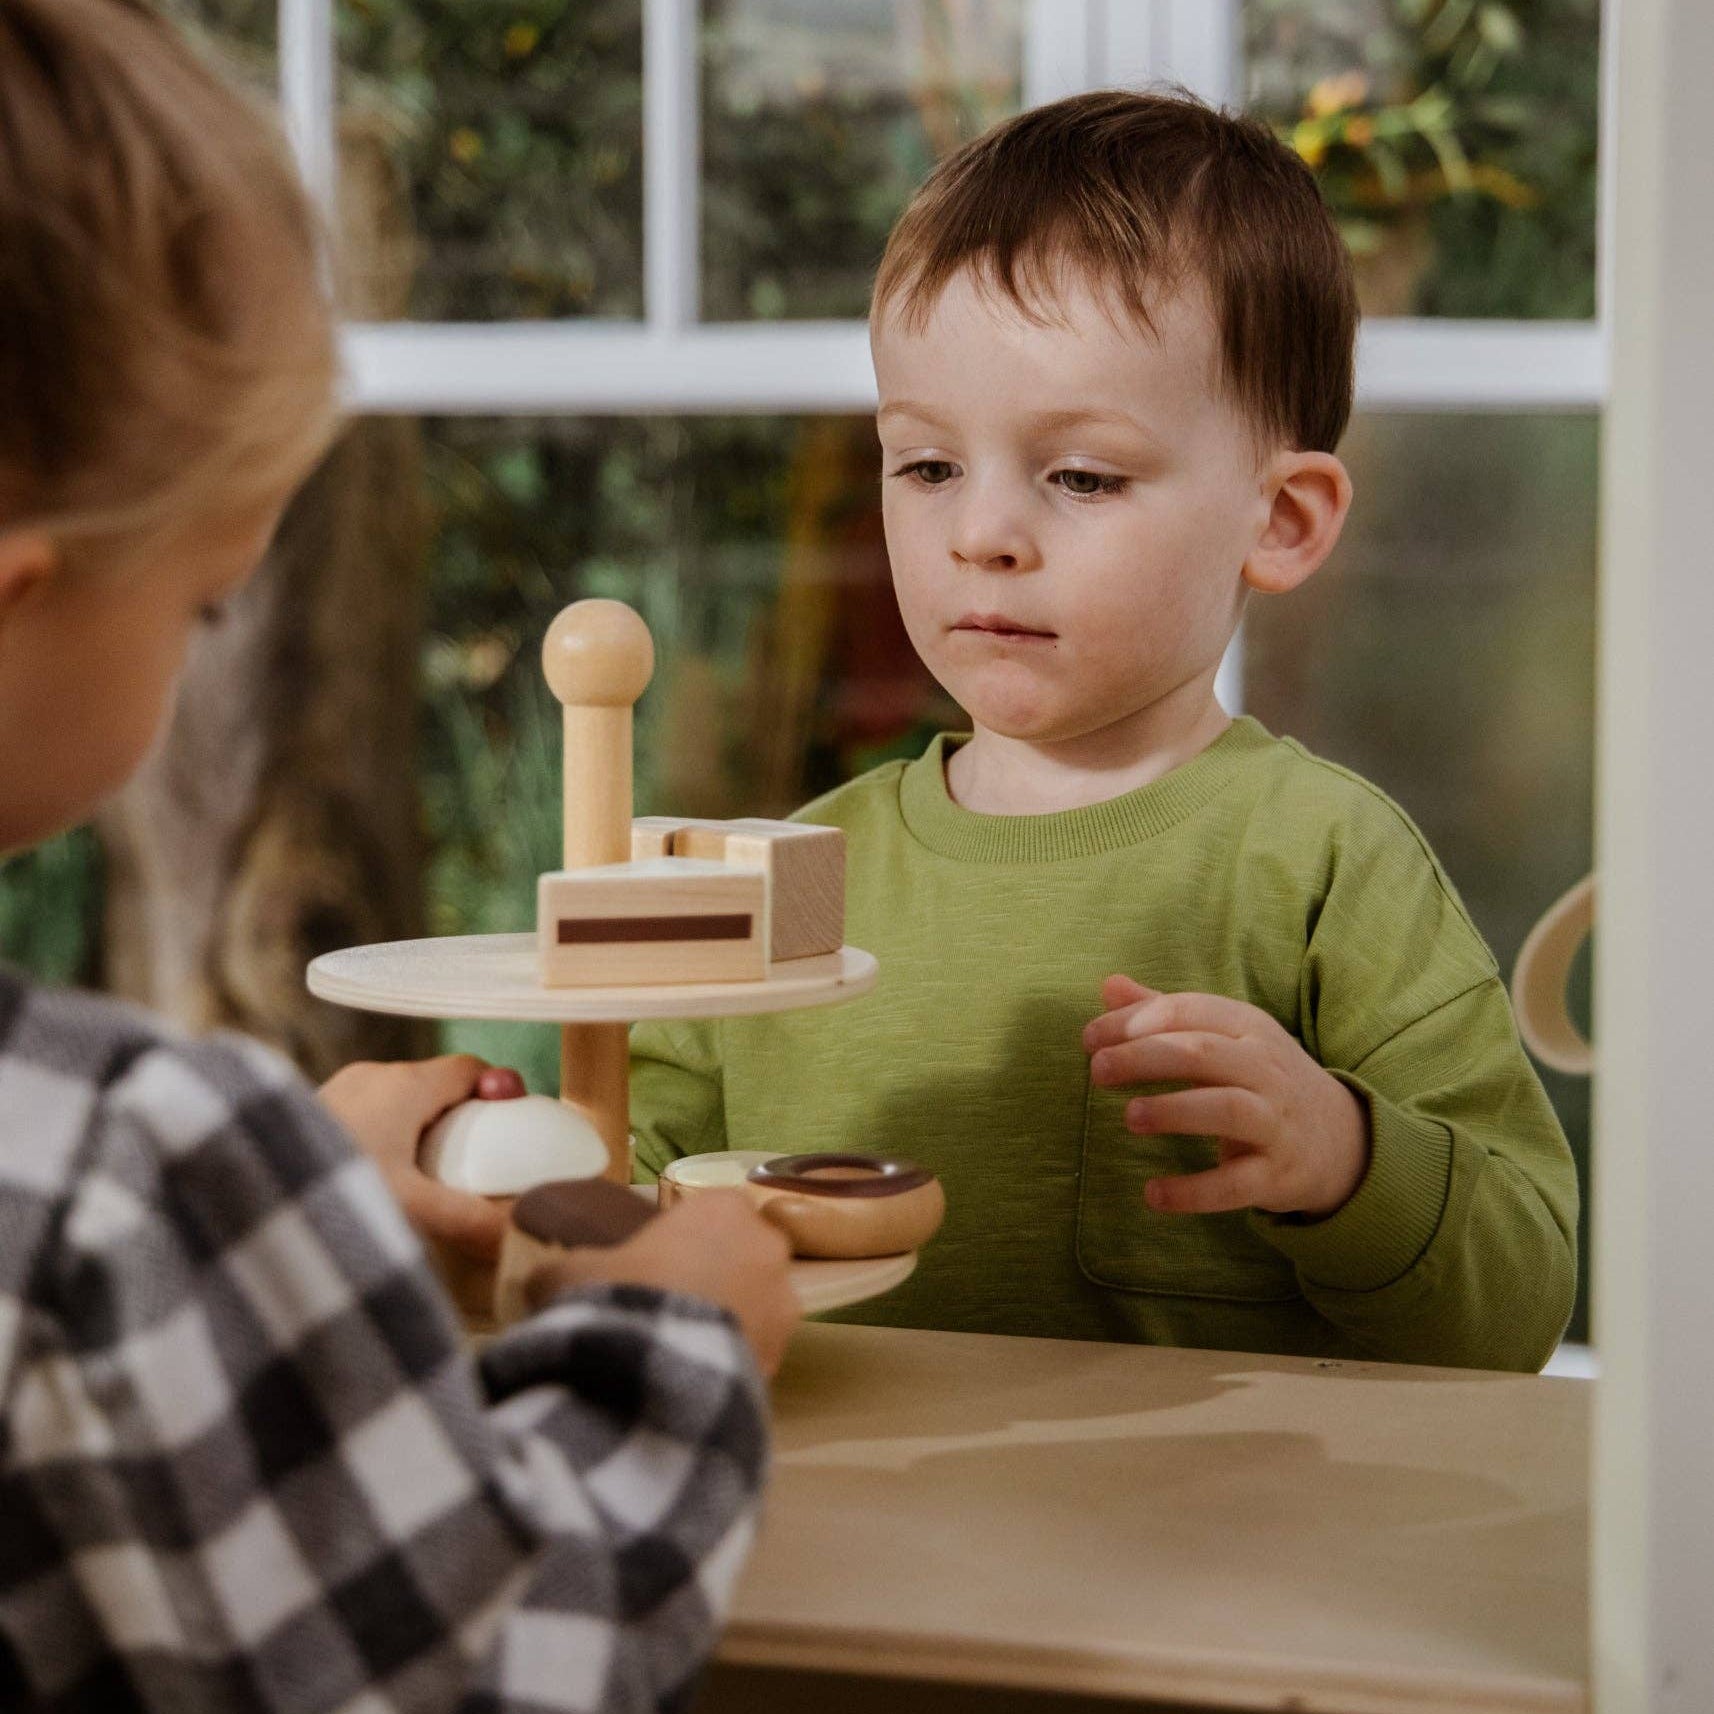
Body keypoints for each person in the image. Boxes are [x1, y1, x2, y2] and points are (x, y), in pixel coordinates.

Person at [0, 2, 796, 1707]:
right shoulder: (112, 1171)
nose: (208, 642)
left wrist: (276, 1219)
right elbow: (491, 1646)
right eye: (206, 603)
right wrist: (673, 1338)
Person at [631, 90, 1578, 1372]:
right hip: (838, 1552)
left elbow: (1518, 1302)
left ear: (1282, 520)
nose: (982, 534)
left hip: (1207, 1560)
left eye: (1079, 475)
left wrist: (1344, 1158)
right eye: (926, 467)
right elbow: (615, 1189)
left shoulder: (1320, 862)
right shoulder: (798, 873)